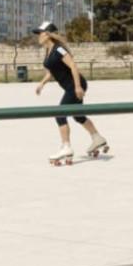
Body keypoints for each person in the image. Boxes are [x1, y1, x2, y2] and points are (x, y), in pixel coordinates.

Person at [33, 21, 109, 166]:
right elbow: (51, 73)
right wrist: (42, 84)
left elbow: (73, 66)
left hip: (75, 85)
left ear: (47, 34)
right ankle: (97, 138)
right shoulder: (48, 51)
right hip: (71, 86)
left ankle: (66, 147)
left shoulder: (59, 49)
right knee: (78, 116)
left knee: (60, 114)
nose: (38, 36)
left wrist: (78, 87)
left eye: (40, 33)